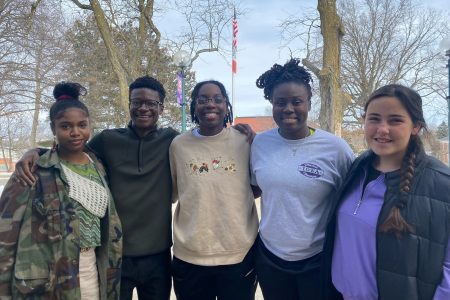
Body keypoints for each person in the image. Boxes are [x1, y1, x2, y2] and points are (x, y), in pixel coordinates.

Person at [13, 76, 178, 300]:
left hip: (158, 257)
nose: (143, 108)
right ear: (129, 104)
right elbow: (70, 149)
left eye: (151, 103)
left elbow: (201, 144)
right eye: (136, 102)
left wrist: (241, 133)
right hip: (114, 254)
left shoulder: (173, 141)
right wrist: (35, 152)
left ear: (161, 107)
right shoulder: (108, 140)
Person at [322, 84, 450, 300]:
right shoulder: (356, 169)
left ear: (415, 126)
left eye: (395, 120)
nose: (382, 129)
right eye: (374, 118)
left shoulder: (441, 184)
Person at [0, 82, 122, 299]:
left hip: (94, 269)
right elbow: (5, 235)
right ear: (53, 129)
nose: (75, 132)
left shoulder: (99, 165)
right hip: (49, 279)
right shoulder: (34, 170)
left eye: (82, 125)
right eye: (66, 126)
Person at [250, 58, 354, 300]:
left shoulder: (336, 149)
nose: (288, 109)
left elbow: (352, 203)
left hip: (318, 260)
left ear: (309, 103)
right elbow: (252, 189)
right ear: (272, 104)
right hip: (270, 259)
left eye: (297, 102)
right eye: (280, 102)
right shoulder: (259, 144)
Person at [169, 80, 259, 300]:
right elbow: (175, 192)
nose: (211, 104)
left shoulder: (245, 141)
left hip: (238, 255)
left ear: (226, 106)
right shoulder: (178, 145)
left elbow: (256, 188)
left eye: (218, 99)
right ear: (193, 106)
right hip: (190, 256)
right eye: (203, 99)